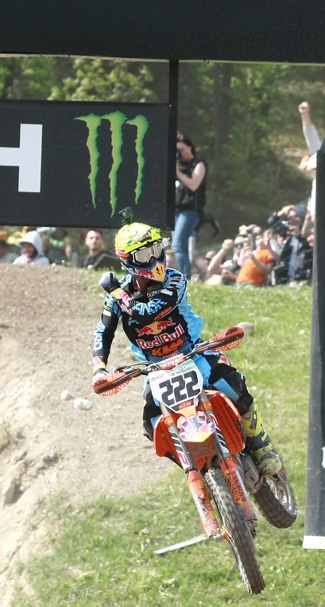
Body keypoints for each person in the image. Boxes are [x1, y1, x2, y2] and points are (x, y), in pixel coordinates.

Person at [90, 219, 285, 476]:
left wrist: (117, 294)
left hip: (193, 353)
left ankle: (261, 444)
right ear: (128, 261)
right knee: (151, 424)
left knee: (233, 385)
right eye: (145, 255)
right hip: (156, 369)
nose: (155, 258)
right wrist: (99, 369)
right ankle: (195, 466)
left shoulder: (174, 279)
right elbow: (103, 331)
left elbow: (149, 313)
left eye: (157, 249)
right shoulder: (118, 296)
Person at [172, 133, 206, 276]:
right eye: (177, 150)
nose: (181, 153)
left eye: (183, 149)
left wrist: (177, 173)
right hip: (175, 210)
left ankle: (183, 277)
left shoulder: (198, 164)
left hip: (190, 211)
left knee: (177, 245)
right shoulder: (177, 165)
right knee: (182, 246)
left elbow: (193, 185)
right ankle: (187, 277)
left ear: (190, 147)